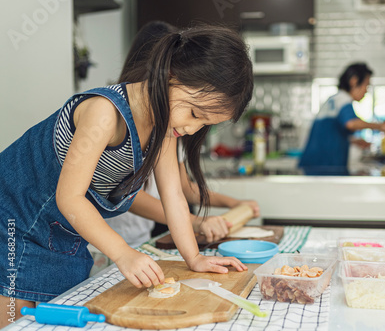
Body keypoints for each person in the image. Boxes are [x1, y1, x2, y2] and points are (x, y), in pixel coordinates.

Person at [0, 25, 253, 326]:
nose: (191, 129)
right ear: (170, 75)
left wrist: (194, 258)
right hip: (12, 222)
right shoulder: (104, 113)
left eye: (205, 124)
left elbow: (173, 195)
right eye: (195, 114)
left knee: (52, 321)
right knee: (16, 321)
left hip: (61, 235)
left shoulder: (164, 130)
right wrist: (123, 253)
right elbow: (69, 197)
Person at [105, 21, 259, 248]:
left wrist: (234, 203)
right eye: (196, 114)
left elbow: (181, 189)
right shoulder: (111, 116)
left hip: (140, 240)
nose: (193, 128)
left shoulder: (170, 128)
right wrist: (195, 222)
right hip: (107, 243)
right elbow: (120, 194)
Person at [298, 63, 385, 175]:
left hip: (315, 164)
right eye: (366, 85)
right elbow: (351, 124)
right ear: (354, 81)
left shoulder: (334, 99)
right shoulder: (343, 99)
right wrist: (381, 126)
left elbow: (329, 134)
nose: (366, 91)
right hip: (327, 166)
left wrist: (354, 141)